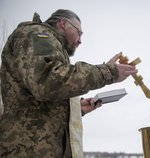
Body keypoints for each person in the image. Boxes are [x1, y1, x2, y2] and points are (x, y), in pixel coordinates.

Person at [0, 9, 137, 157]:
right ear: (64, 23)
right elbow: (47, 82)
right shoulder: (37, 34)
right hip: (27, 150)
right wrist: (108, 72)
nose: (80, 40)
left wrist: (75, 108)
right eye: (79, 33)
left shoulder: (49, 43)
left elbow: (41, 100)